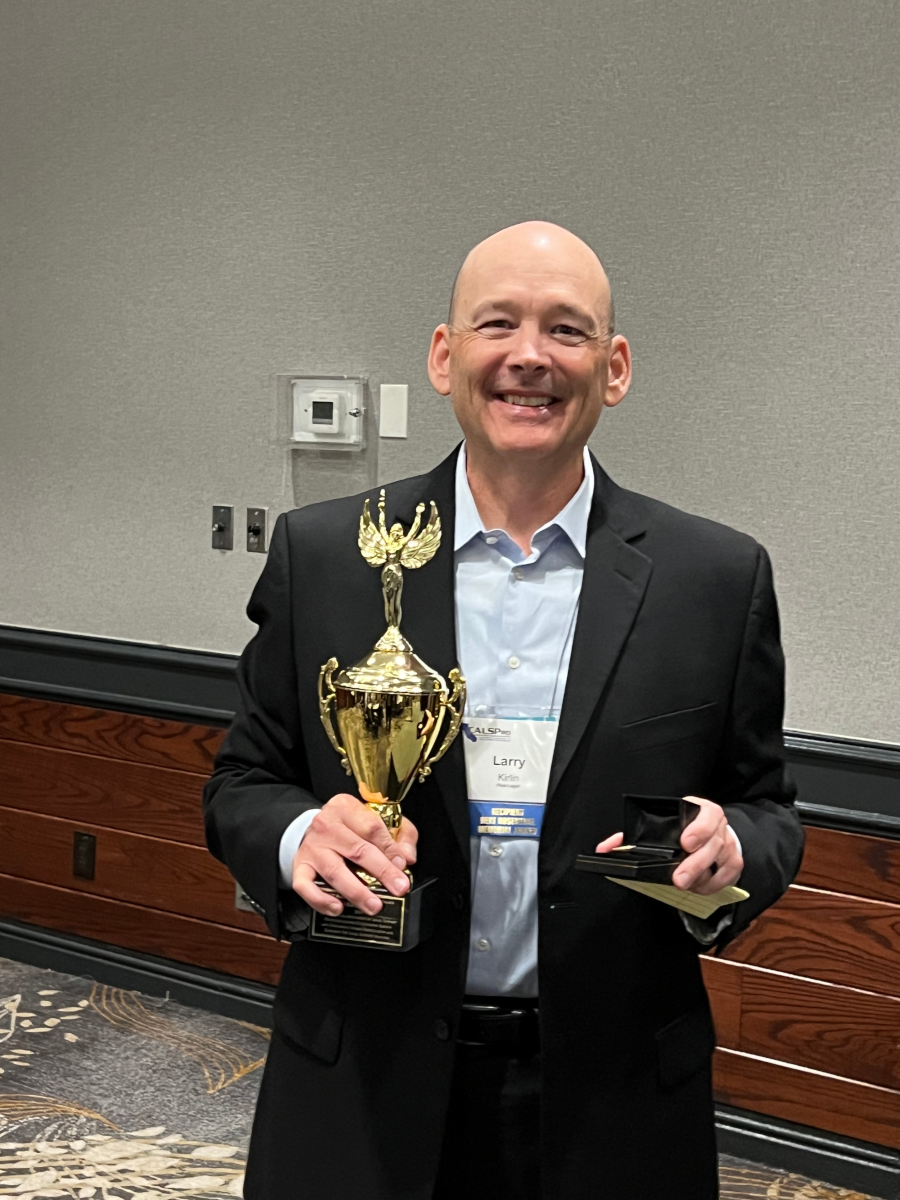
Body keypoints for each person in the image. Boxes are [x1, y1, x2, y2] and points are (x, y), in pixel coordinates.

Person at [204, 221, 804, 1200]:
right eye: (498, 324)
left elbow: (769, 809)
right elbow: (242, 781)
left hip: (612, 1100)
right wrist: (300, 835)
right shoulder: (329, 557)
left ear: (614, 368)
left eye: (566, 330)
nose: (530, 356)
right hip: (363, 1079)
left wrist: (732, 847)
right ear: (445, 357)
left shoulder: (715, 578)